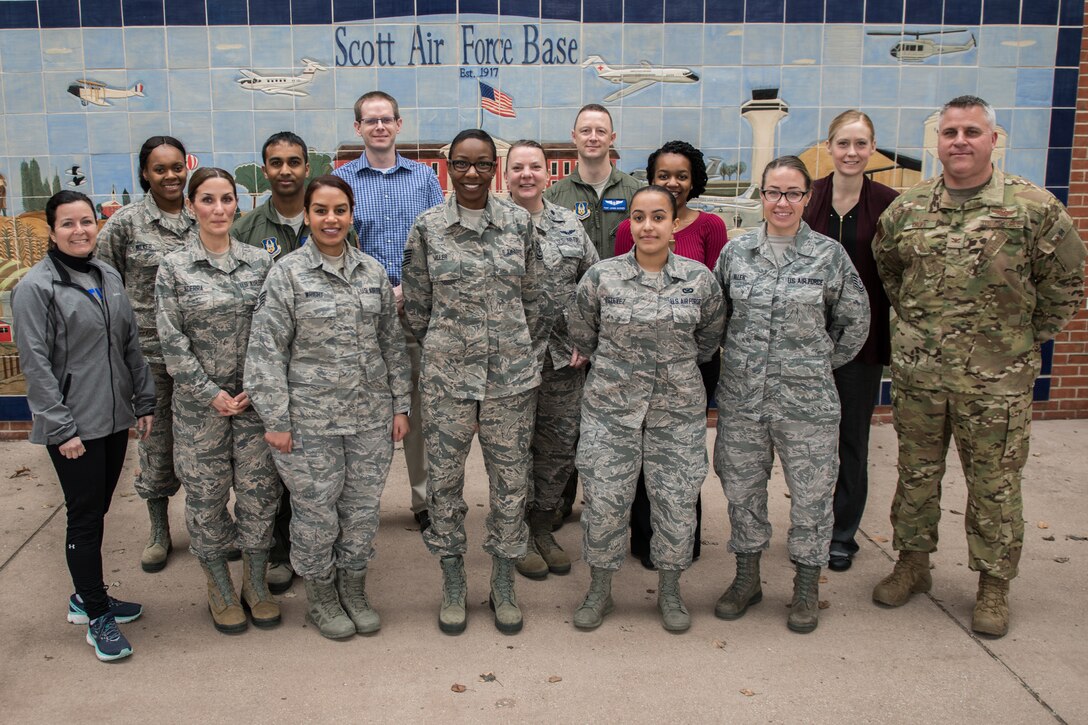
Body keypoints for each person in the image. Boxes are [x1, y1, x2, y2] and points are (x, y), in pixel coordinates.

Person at [871, 95, 1085, 637]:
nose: (959, 141)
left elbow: (1067, 284)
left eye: (971, 130)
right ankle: (913, 565)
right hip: (921, 376)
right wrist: (920, 333)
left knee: (993, 483)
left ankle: (993, 583)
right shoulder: (908, 209)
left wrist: (1019, 339)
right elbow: (890, 273)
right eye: (950, 132)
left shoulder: (1034, 209)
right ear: (937, 142)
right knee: (916, 475)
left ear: (994, 139)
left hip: (997, 381)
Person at [246, 175, 410, 639]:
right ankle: (320, 596)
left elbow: (391, 345)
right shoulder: (287, 274)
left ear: (351, 214)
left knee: (360, 510)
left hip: (369, 418)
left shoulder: (374, 272)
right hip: (309, 422)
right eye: (321, 210)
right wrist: (276, 419)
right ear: (307, 215)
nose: (331, 219)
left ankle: (353, 588)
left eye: (339, 210)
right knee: (317, 512)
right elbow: (265, 353)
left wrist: (401, 407)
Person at [713, 156, 870, 634]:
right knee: (741, 492)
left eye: (793, 193)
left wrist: (815, 364)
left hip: (808, 404)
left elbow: (855, 321)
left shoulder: (829, 256)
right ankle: (747, 578)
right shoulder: (736, 254)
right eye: (773, 193)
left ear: (807, 198)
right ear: (761, 196)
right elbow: (715, 317)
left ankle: (805, 585)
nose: (782, 202)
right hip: (742, 400)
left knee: (811, 498)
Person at [403, 129, 548, 635]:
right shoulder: (427, 229)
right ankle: (454, 581)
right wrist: (449, 349)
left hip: (510, 380)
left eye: (482, 164)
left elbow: (534, 298)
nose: (471, 173)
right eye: (461, 164)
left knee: (511, 484)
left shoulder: (518, 225)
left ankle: (503, 582)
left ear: (494, 168)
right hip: (448, 381)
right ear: (448, 167)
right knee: (443, 486)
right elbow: (417, 309)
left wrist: (516, 351)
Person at [569, 185, 724, 632]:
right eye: (639, 217)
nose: (648, 226)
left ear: (675, 224)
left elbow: (709, 339)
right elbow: (582, 332)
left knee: (675, 502)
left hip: (676, 414)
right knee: (605, 501)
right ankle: (600, 589)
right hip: (610, 411)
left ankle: (671, 591)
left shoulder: (699, 279)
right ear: (629, 224)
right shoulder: (602, 276)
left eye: (658, 217)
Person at [12, 190, 155, 661]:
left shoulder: (106, 275)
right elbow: (35, 363)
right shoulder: (36, 288)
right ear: (51, 231)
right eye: (68, 224)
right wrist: (60, 427)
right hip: (74, 427)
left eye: (87, 222)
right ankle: (96, 614)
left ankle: (85, 593)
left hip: (113, 419)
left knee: (97, 510)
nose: (80, 231)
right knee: (85, 517)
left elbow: (129, 342)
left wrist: (144, 399)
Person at [156, 168, 280, 634]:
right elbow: (171, 341)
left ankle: (255, 583)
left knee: (258, 495)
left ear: (237, 204)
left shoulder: (259, 263)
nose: (218, 209)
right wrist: (211, 394)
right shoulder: (175, 267)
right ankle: (219, 587)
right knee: (206, 499)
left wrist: (255, 386)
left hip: (252, 405)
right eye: (207, 200)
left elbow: (271, 333)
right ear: (191, 206)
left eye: (227, 199)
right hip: (199, 409)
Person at [334, 91, 445, 535]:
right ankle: (357, 503)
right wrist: (378, 290)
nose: (379, 127)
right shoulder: (341, 181)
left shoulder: (423, 180)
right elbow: (328, 243)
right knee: (360, 413)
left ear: (399, 125)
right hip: (361, 319)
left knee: (417, 412)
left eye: (386, 119)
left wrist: (407, 288)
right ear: (357, 128)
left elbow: (441, 241)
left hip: (416, 315)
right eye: (370, 120)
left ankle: (423, 500)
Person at [614, 140, 729, 570]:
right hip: (634, 366)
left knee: (680, 456)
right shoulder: (630, 228)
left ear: (694, 180)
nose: (673, 183)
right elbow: (617, 291)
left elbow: (717, 299)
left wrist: (694, 356)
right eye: (664, 175)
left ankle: (683, 541)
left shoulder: (710, 226)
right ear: (651, 179)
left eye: (681, 175)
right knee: (639, 454)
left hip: (690, 366)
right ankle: (643, 541)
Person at [801, 112, 899, 573]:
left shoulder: (889, 204)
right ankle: (808, 529)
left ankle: (842, 535)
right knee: (806, 443)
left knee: (852, 442)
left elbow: (898, 273)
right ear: (830, 145)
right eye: (844, 143)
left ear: (872, 147)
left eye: (861, 144)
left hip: (862, 344)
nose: (852, 152)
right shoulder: (808, 197)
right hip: (804, 344)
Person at [97, 135, 198, 573]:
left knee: (201, 445)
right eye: (160, 169)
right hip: (150, 354)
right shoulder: (126, 224)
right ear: (144, 173)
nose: (171, 176)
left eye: (177, 167)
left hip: (201, 356)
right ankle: (159, 529)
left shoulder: (204, 215)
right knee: (155, 445)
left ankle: (208, 525)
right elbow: (102, 284)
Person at [504, 140, 599, 580]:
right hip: (509, 363)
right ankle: (515, 532)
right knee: (511, 451)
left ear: (548, 175)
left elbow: (592, 286)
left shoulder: (568, 224)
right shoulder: (493, 225)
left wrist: (587, 339)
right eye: (517, 167)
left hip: (563, 361)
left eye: (534, 167)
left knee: (558, 449)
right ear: (505, 176)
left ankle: (542, 527)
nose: (527, 174)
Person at [544, 103, 641, 528]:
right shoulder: (556, 197)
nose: (593, 137)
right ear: (575, 136)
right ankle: (560, 497)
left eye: (601, 130)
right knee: (566, 417)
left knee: (616, 418)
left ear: (612, 137)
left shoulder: (637, 191)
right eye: (586, 130)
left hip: (625, 325)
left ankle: (610, 500)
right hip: (571, 329)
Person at [232, 131, 315, 595]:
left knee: (315, 467)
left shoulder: (326, 217)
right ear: (265, 169)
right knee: (274, 464)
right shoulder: (246, 229)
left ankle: (316, 548)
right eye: (276, 162)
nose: (286, 170)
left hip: (317, 369)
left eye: (294, 162)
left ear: (307, 168)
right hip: (269, 366)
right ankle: (280, 551)